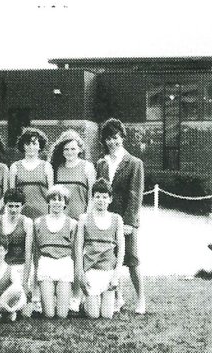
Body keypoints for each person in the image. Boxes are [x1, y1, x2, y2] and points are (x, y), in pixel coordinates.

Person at [94, 118, 144, 314]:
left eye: (115, 137)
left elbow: (135, 194)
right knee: (111, 259)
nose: (112, 142)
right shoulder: (101, 163)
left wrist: (129, 222)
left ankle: (141, 299)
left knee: (131, 259)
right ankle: (118, 298)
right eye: (108, 139)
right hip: (106, 218)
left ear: (122, 137)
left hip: (125, 220)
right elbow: (99, 191)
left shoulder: (134, 163)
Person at [76, 180, 126, 319]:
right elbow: (79, 248)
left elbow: (121, 249)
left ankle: (105, 298)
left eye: (104, 197)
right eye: (97, 196)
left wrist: (116, 275)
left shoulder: (117, 219)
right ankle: (85, 301)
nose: (101, 200)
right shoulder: (84, 218)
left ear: (110, 199)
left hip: (108, 271)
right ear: (92, 198)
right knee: (93, 315)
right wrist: (81, 274)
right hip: (91, 270)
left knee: (106, 315)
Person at [28, 187, 78, 318]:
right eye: (53, 199)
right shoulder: (38, 222)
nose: (56, 202)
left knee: (62, 315)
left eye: (60, 200)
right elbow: (36, 249)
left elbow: (74, 250)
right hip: (46, 264)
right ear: (48, 201)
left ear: (65, 203)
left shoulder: (72, 224)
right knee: (49, 314)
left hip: (64, 264)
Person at [0, 188, 34, 317]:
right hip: (3, 267)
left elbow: (28, 254)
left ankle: (10, 308)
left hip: (21, 266)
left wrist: (25, 282)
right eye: (10, 206)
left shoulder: (27, 222)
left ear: (22, 206)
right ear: (5, 205)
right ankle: (5, 308)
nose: (13, 209)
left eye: (17, 206)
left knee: (26, 314)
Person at [51, 131, 96, 219]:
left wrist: (87, 217)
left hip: (80, 218)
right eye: (66, 149)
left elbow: (92, 196)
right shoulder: (56, 168)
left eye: (73, 149)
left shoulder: (87, 167)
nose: (69, 152)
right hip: (60, 219)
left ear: (79, 149)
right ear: (62, 151)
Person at [10, 127, 53, 219]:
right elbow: (12, 196)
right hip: (21, 215)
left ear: (39, 146)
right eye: (27, 143)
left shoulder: (46, 166)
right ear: (23, 146)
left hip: (43, 214)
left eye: (34, 143)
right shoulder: (15, 166)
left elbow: (51, 195)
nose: (31, 147)